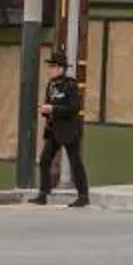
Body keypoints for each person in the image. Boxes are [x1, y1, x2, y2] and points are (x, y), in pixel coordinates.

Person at [35, 58, 89, 208]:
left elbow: (73, 108)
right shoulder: (51, 85)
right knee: (45, 159)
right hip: (54, 129)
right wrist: (45, 110)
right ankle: (43, 193)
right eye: (49, 66)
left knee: (75, 162)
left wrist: (53, 109)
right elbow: (50, 104)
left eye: (53, 67)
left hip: (69, 129)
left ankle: (83, 195)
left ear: (61, 69)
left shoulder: (70, 85)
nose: (49, 70)